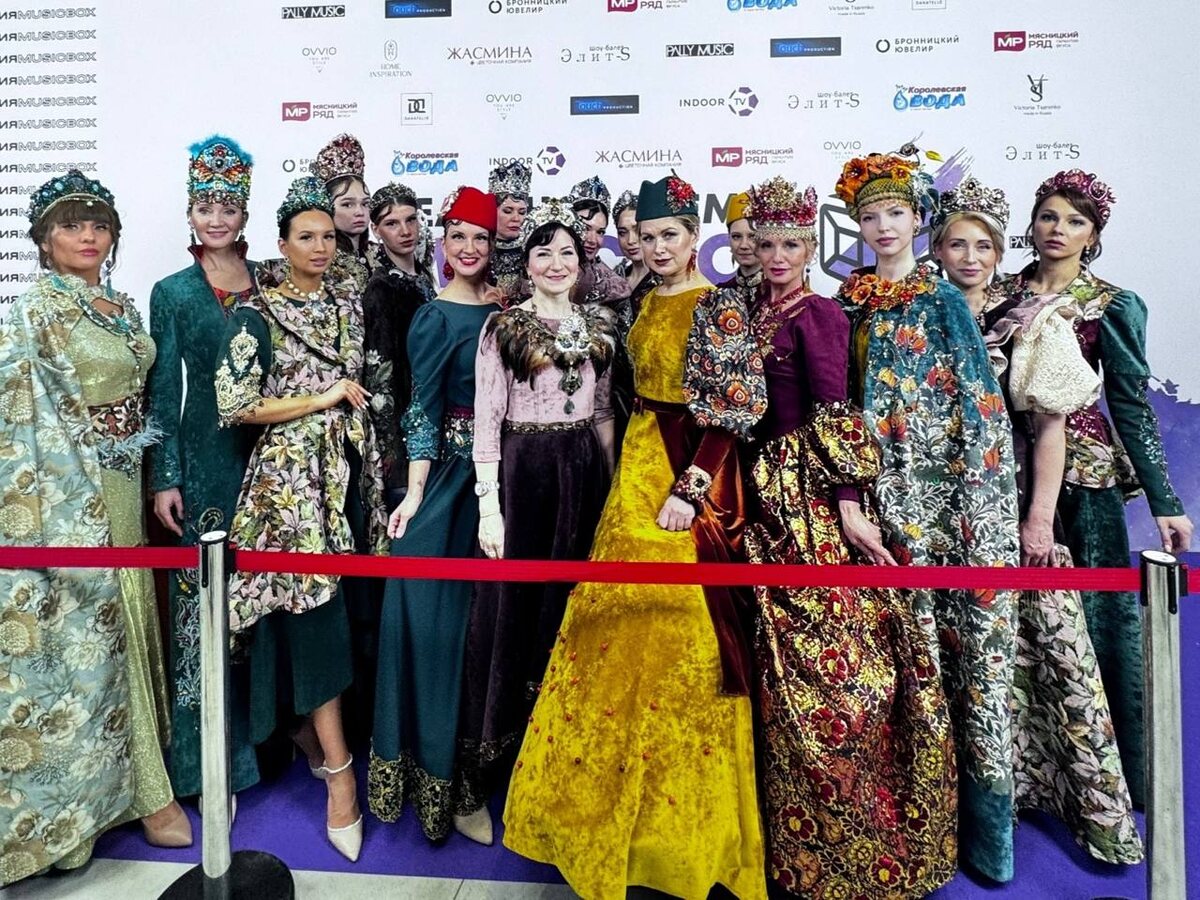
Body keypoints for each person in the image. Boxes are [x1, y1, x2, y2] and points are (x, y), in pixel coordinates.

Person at [503, 173, 768, 900]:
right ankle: (605, 817)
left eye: (669, 235)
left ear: (693, 237)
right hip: (638, 463)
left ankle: (680, 834)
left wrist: (693, 489)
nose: (656, 247)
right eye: (646, 237)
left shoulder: (720, 305)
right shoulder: (645, 300)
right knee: (610, 629)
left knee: (683, 635)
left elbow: (738, 407)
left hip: (688, 473)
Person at [742, 176, 956, 898]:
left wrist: (848, 505)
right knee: (771, 660)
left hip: (807, 494)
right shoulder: (749, 309)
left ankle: (859, 840)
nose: (777, 256)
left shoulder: (822, 314)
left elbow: (835, 412)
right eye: (767, 243)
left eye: (791, 244)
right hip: (756, 491)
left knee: (830, 666)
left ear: (810, 247)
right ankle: (786, 837)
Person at [933, 175, 1143, 864]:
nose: (970, 258)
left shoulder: (1032, 318)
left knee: (1037, 649)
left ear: (1000, 253)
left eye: (983, 246)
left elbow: (1052, 430)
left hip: (1015, 502)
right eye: (957, 245)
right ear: (938, 251)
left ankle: (1042, 792)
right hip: (944, 517)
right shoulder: (922, 310)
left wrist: (1040, 522)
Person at [834, 147, 1021, 883]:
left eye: (896, 213)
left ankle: (975, 833)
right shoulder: (849, 301)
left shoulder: (942, 300)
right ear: (856, 225)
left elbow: (981, 408)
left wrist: (976, 511)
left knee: (958, 649)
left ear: (918, 220)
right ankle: (901, 817)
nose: (884, 226)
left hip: (940, 502)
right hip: (872, 492)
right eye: (870, 216)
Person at [0, 170, 190, 886]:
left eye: (99, 224)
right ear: (43, 240)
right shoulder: (34, 310)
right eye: (71, 224)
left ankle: (139, 776)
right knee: (92, 620)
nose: (88, 235)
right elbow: (24, 411)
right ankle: (142, 796)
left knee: (131, 613)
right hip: (71, 488)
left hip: (126, 479)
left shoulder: (121, 305)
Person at [995, 169, 1193, 806]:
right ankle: (1030, 772)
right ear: (1032, 224)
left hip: (1083, 477)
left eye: (1075, 221)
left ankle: (1113, 775)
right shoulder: (998, 289)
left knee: (1097, 620)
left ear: (1094, 234)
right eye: (1049, 216)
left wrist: (1166, 502)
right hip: (1003, 470)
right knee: (1016, 624)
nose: (1059, 230)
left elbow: (1130, 403)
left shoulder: (1113, 304)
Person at [214, 176, 388, 862]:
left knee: (348, 617)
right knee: (315, 624)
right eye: (305, 237)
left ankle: (316, 739)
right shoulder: (255, 315)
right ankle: (340, 777)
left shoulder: (348, 305)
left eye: (326, 236)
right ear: (281, 245)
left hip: (348, 475)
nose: (319, 247)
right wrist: (320, 399)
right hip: (290, 487)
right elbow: (236, 406)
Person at [456, 200, 618, 843]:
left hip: (583, 476)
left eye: (567, 253)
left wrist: (608, 490)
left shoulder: (599, 325)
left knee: (569, 615)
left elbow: (601, 412)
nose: (556, 263)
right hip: (524, 477)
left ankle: (559, 767)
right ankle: (479, 777)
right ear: (526, 264)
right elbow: (487, 421)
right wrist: (488, 508)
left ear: (582, 264)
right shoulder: (503, 328)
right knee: (507, 618)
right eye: (543, 252)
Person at [368, 186, 502, 843]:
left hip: (500, 483)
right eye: (458, 237)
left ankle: (471, 782)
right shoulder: (433, 316)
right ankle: (433, 784)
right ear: (441, 243)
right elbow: (419, 409)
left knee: (483, 641)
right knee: (436, 633)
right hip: (448, 485)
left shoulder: (506, 313)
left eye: (481, 238)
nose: (469, 248)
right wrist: (415, 494)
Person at [147, 135, 261, 807]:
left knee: (263, 607)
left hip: (272, 455)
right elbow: (165, 389)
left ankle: (269, 747)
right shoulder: (172, 292)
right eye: (205, 207)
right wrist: (166, 475)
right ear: (189, 213)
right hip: (206, 456)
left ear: (245, 213)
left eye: (228, 207)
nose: (216, 219)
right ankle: (206, 764)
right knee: (203, 611)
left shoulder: (271, 280)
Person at [364, 181, 437, 513]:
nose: (405, 231)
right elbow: (380, 377)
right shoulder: (381, 289)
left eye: (411, 219)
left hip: (432, 412)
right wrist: (393, 451)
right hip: (404, 430)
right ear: (376, 230)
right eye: (392, 223)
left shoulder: (423, 276)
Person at [609, 189, 658, 456]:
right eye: (622, 232)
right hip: (613, 396)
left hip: (653, 398)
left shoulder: (665, 282)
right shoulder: (612, 279)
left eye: (638, 231)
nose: (630, 240)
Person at [567, 176, 632, 310]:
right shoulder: (543, 271)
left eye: (600, 232)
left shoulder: (613, 286)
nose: (592, 240)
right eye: (585, 228)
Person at [487, 160, 532, 303]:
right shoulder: (481, 248)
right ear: (492, 211)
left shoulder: (532, 251)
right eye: (507, 211)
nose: (516, 218)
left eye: (522, 212)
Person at [718, 190, 762, 305]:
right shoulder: (718, 294)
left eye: (752, 237)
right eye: (736, 237)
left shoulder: (781, 293)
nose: (743, 245)